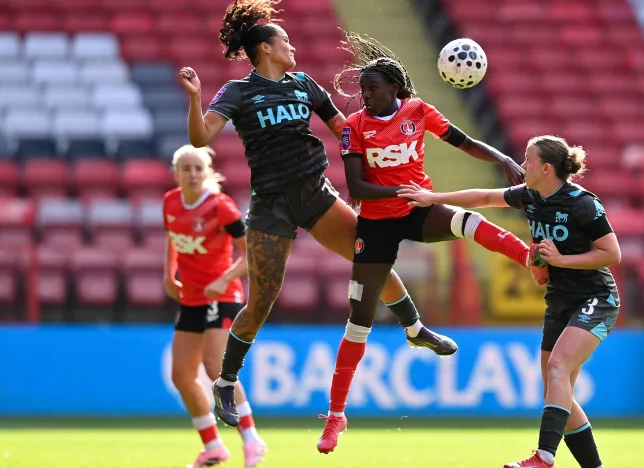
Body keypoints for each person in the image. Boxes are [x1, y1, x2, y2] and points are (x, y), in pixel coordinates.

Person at [178, 0, 458, 428]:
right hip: (271, 203)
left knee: (371, 260)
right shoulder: (236, 92)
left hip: (315, 193)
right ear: (266, 48)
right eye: (284, 41)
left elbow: (347, 129)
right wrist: (196, 99)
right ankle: (225, 383)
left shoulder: (305, 84)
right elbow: (200, 138)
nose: (292, 47)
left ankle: (414, 328)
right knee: (262, 301)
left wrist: (393, 123)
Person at [316, 31, 546, 454]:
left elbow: (463, 142)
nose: (364, 95)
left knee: (467, 220)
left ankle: (529, 256)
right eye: (363, 89)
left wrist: (503, 157)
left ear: (396, 90)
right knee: (358, 320)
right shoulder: (354, 126)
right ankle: (335, 417)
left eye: (373, 88)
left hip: (418, 208)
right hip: (378, 221)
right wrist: (401, 191)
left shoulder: (419, 112)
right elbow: (355, 186)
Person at [399, 135, 621, 468]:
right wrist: (433, 198)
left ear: (546, 168)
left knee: (557, 368)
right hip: (560, 299)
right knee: (557, 388)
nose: (523, 164)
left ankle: (544, 458)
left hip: (597, 298)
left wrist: (560, 261)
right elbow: (485, 196)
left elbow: (612, 254)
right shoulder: (530, 195)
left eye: (529, 160)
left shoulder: (582, 203)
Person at [163, 145, 267, 468]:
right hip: (192, 296)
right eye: (186, 168)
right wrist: (168, 273)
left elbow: (252, 252)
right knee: (181, 375)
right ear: (177, 172)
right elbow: (173, 237)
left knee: (214, 366)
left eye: (198, 168)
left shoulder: (220, 207)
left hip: (221, 296)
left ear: (207, 172)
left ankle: (252, 441)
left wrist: (224, 279)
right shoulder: (169, 202)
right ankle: (213, 447)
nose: (192, 173)